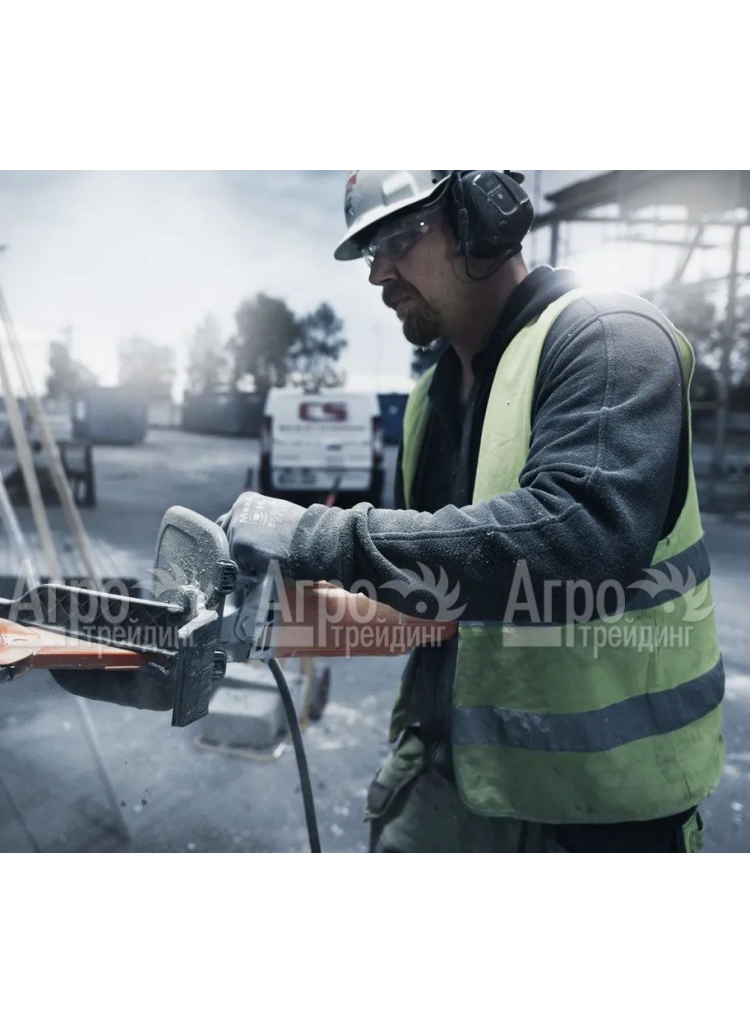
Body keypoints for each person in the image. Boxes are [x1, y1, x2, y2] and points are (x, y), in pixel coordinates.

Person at [217, 170, 725, 853]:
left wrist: (314, 534)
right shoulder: (428, 403)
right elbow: (439, 605)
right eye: (370, 250)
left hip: (600, 812)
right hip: (446, 773)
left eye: (399, 237)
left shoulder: (609, 337)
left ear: (483, 214)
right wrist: (270, 622)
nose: (378, 273)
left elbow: (580, 538)